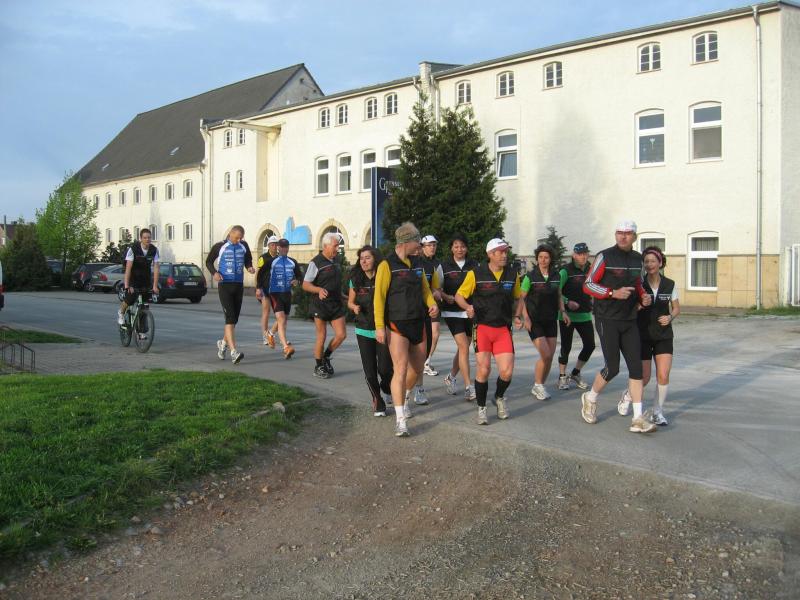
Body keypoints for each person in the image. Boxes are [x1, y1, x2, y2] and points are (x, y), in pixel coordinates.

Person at [580, 220, 655, 433]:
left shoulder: (638, 259)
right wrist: (612, 293)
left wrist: (643, 296)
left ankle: (637, 418)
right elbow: (588, 285)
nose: (623, 236)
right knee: (612, 368)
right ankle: (590, 398)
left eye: (627, 233)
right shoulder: (605, 256)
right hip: (607, 318)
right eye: (619, 233)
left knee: (636, 369)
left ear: (634, 237)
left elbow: (638, 283)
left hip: (629, 319)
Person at [374, 222, 439, 437]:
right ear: (406, 242)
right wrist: (380, 327)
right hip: (396, 324)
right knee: (400, 369)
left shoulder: (418, 263)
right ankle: (400, 419)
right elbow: (379, 298)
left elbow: (425, 290)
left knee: (417, 369)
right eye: (417, 242)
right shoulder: (387, 265)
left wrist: (432, 303)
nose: (420, 245)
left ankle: (404, 396)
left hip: (418, 322)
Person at [455, 238, 522, 425]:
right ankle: (482, 408)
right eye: (501, 252)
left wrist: (518, 316)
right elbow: (459, 296)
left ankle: (499, 397)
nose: (505, 255)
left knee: (506, 372)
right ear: (490, 254)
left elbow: (519, 298)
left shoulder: (512, 274)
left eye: (506, 251)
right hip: (482, 327)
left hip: (503, 329)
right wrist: (467, 307)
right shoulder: (476, 273)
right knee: (483, 369)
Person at [619, 246, 680, 426]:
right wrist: (640, 306)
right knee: (644, 378)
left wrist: (670, 317)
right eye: (646, 261)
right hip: (643, 334)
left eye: (653, 261)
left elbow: (676, 308)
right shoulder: (639, 284)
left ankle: (657, 412)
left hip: (663, 335)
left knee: (663, 375)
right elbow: (630, 309)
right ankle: (628, 395)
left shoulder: (670, 284)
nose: (650, 264)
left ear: (660, 263)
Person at [348, 245, 394, 417]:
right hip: (363, 328)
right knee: (370, 371)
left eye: (368, 258)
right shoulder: (355, 278)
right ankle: (378, 401)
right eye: (361, 258)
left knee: (385, 368)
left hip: (382, 329)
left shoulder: (383, 275)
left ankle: (386, 387)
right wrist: (354, 307)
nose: (364, 261)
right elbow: (350, 302)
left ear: (375, 259)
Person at [518, 244, 568, 400]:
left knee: (550, 356)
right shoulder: (530, 277)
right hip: (535, 321)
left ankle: (540, 385)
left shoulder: (556, 276)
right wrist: (525, 317)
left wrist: (563, 311)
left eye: (546, 257)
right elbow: (521, 298)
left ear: (550, 259)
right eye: (540, 257)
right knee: (545, 354)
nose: (543, 260)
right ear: (537, 258)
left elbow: (559, 295)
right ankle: (538, 385)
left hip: (551, 320)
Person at [206, 225, 255, 364]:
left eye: (240, 238)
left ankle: (223, 343)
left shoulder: (243, 246)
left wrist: (249, 267)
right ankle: (234, 352)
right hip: (225, 285)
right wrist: (214, 273)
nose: (238, 240)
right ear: (230, 234)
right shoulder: (220, 246)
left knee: (234, 320)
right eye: (236, 237)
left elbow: (248, 260)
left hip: (238, 285)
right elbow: (208, 261)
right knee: (230, 319)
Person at [302, 232, 347, 378]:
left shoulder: (336, 260)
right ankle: (318, 366)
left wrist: (342, 295)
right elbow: (305, 284)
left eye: (338, 246)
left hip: (335, 303)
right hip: (320, 304)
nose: (338, 248)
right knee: (321, 336)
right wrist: (319, 290)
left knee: (341, 335)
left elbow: (334, 282)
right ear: (326, 246)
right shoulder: (316, 262)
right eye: (335, 246)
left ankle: (326, 357)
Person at [440, 235, 479, 401]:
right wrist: (445, 296)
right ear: (451, 248)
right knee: (463, 346)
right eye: (456, 246)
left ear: (467, 248)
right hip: (452, 312)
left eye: (462, 246)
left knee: (464, 347)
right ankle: (469, 387)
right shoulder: (444, 266)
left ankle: (451, 377)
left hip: (469, 311)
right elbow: (437, 288)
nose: (459, 249)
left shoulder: (474, 265)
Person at [556, 242, 596, 391]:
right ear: (574, 255)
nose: (583, 256)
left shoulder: (591, 269)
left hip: (584, 315)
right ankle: (562, 376)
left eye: (585, 253)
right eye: (580, 254)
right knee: (566, 346)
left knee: (590, 345)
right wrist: (567, 302)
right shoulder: (565, 271)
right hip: (567, 315)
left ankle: (575, 373)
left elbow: (595, 287)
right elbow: (556, 291)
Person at [265, 238, 303, 359]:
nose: (284, 249)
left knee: (283, 319)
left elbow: (300, 276)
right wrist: (259, 288)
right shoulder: (272, 261)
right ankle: (286, 347)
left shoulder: (292, 262)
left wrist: (297, 281)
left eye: (286, 247)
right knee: (281, 319)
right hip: (275, 293)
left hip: (287, 293)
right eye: (282, 247)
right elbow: (261, 275)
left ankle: (270, 333)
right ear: (278, 248)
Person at [117, 228, 160, 331]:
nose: (147, 239)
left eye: (149, 237)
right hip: (133, 277)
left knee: (144, 305)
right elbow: (128, 268)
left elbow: (156, 268)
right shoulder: (133, 249)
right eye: (145, 238)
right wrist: (127, 285)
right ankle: (121, 312)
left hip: (145, 278)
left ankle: (141, 330)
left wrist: (155, 286)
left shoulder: (154, 250)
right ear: (141, 238)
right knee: (130, 298)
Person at [420, 235, 442, 377]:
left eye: (434, 245)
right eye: (429, 245)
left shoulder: (437, 264)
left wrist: (439, 293)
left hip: (433, 305)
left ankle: (426, 362)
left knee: (435, 333)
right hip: (418, 306)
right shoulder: (417, 262)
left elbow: (437, 287)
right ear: (422, 247)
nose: (432, 247)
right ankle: (419, 361)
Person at [255, 235, 280, 347]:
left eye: (276, 244)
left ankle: (276, 334)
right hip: (265, 288)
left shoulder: (280, 257)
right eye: (272, 244)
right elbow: (258, 273)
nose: (274, 246)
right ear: (268, 246)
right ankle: (265, 335)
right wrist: (258, 288)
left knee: (280, 313)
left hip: (277, 289)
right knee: (266, 311)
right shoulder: (263, 258)